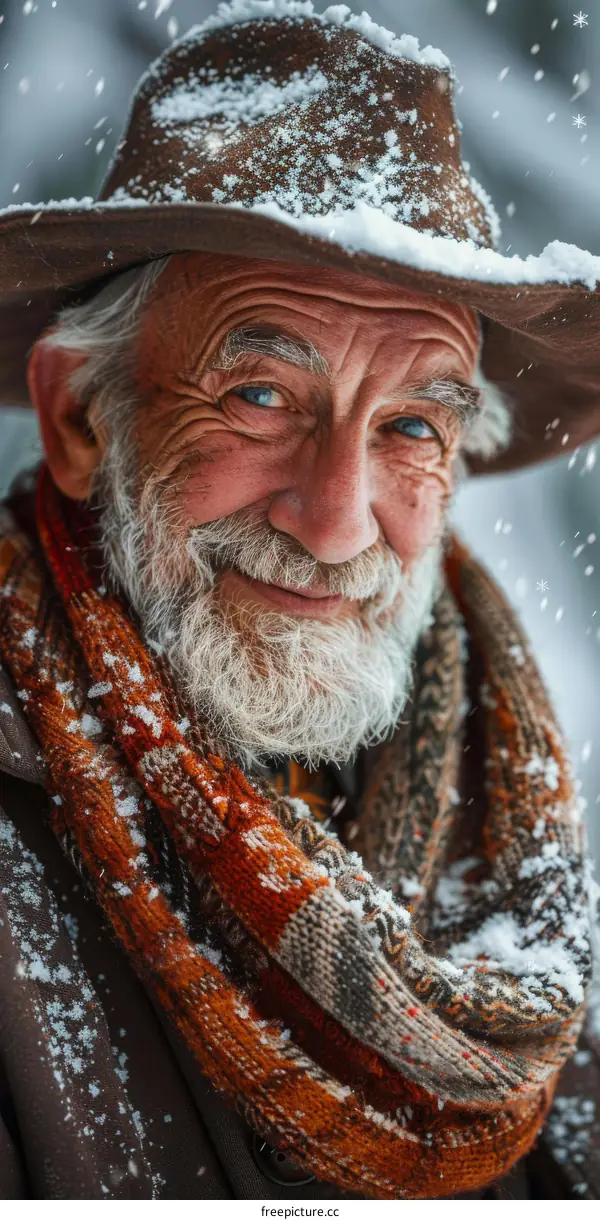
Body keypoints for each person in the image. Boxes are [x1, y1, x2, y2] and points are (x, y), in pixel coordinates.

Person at [0, 2, 597, 1201]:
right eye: (263, 396)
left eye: (411, 426)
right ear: (81, 416)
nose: (337, 520)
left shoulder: (506, 799)